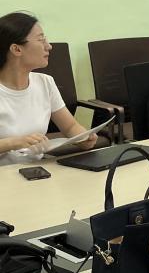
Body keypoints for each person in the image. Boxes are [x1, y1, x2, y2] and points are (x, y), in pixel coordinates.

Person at [0, 12, 98, 165]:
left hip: (35, 170)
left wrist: (83, 138)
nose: (49, 46)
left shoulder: (45, 82)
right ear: (16, 49)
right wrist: (14, 142)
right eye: (41, 40)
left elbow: (70, 126)